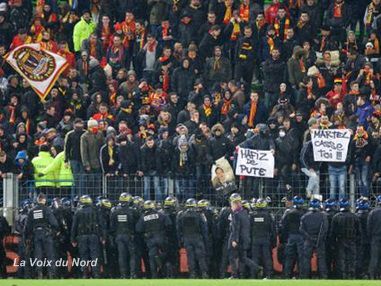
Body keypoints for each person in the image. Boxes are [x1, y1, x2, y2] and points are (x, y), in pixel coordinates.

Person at [24, 193, 58, 279]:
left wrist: (27, 238)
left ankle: (39, 274)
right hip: (46, 234)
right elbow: (54, 223)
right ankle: (51, 274)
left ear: (37, 200)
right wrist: (52, 233)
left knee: (38, 255)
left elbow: (27, 227)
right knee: (50, 255)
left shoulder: (32, 211)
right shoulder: (47, 210)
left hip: (36, 234)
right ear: (44, 200)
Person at [71, 195, 105, 278]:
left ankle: (85, 274)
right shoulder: (96, 210)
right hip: (94, 236)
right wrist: (103, 237)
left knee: (83, 256)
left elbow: (74, 227)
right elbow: (101, 225)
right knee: (94, 255)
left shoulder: (78, 211)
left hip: (81, 237)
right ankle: (96, 274)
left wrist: (72, 239)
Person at [135, 200, 171, 278]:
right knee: (166, 255)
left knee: (152, 257)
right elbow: (168, 224)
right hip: (161, 237)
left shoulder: (143, 217)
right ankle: (164, 273)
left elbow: (138, 229)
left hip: (150, 239)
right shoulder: (161, 214)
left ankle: (154, 275)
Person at [228, 193, 259, 279]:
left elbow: (236, 228)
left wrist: (234, 240)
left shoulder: (236, 214)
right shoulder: (245, 213)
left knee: (232, 256)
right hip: (245, 239)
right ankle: (257, 268)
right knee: (243, 258)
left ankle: (234, 275)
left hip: (238, 239)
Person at [176, 198, 209, 278]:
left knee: (190, 257)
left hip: (187, 238)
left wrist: (180, 241)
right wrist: (206, 241)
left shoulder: (181, 215)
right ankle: (204, 273)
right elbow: (204, 229)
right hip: (197, 238)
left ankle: (192, 274)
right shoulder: (199, 214)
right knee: (201, 257)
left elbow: (178, 229)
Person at [330, 198, 361, 279]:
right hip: (352, 240)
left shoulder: (336, 217)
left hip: (341, 240)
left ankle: (342, 276)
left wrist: (332, 243)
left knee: (341, 259)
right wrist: (357, 241)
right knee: (352, 258)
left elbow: (333, 232)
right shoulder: (354, 217)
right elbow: (359, 231)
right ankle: (352, 275)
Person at [110, 193, 138, 278]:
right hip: (130, 236)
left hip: (119, 236)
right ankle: (133, 274)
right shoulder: (133, 210)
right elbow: (137, 224)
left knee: (122, 256)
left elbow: (112, 226)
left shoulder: (115, 211)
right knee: (133, 256)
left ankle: (123, 275)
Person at [299, 198, 328, 279]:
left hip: (308, 240)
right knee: (321, 259)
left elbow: (301, 229)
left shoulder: (305, 216)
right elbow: (325, 229)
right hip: (319, 240)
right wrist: (319, 238)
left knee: (306, 259)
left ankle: (305, 276)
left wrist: (309, 238)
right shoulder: (323, 216)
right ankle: (323, 276)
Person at [279, 196, 305, 278]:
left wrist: (283, 239)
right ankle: (302, 276)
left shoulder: (289, 212)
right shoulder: (305, 213)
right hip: (301, 237)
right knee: (301, 258)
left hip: (291, 237)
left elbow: (283, 226)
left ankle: (287, 275)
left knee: (289, 257)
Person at [250, 198, 276, 279]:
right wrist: (273, 242)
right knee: (267, 258)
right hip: (265, 239)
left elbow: (249, 229)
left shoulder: (252, 215)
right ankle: (269, 275)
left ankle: (253, 276)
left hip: (255, 240)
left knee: (254, 259)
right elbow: (272, 230)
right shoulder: (268, 215)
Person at [367, 195, 381, 279]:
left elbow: (369, 227)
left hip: (375, 238)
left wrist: (371, 238)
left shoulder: (373, 212)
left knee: (374, 258)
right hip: (375, 237)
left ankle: (372, 276)